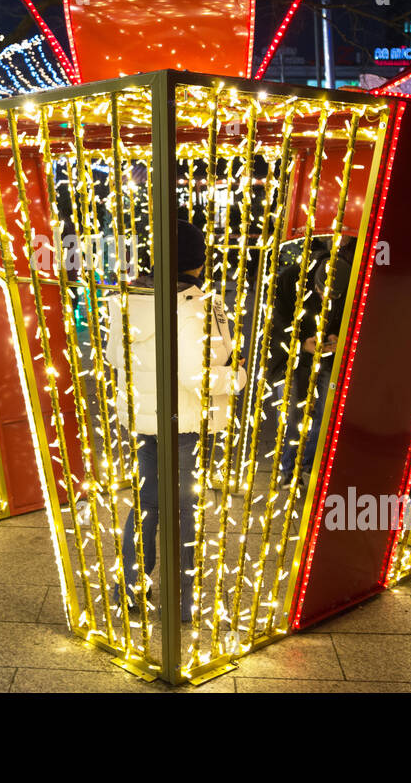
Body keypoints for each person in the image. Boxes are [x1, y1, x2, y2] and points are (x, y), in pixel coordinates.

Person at [106, 219, 243, 621]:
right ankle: (183, 603)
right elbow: (195, 374)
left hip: (145, 420)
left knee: (147, 503)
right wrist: (236, 377)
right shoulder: (198, 304)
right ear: (198, 261)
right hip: (185, 423)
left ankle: (129, 590)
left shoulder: (126, 298)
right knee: (185, 509)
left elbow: (116, 359)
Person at [266, 236, 355, 488]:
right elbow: (275, 321)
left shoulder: (348, 284)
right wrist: (300, 342)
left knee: (327, 413)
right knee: (293, 412)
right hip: (290, 358)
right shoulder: (290, 278)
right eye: (320, 293)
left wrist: (338, 337)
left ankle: (305, 465)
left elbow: (350, 318)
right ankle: (288, 468)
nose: (325, 299)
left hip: (327, 359)